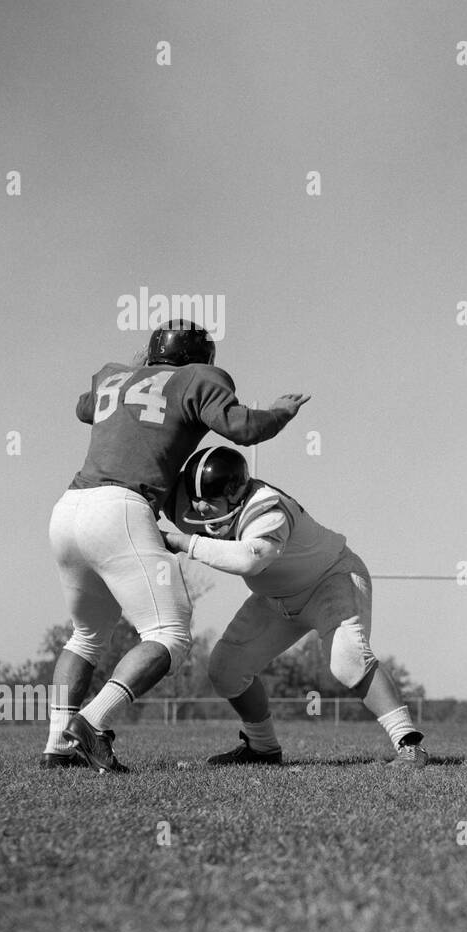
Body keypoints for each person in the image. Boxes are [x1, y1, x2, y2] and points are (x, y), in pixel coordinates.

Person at [47, 320, 308, 772]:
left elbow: (84, 408)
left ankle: (57, 745)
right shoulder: (199, 379)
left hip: (68, 509)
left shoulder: (112, 375)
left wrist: (135, 376)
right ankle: (91, 722)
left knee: (86, 636)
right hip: (120, 507)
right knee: (169, 634)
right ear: (202, 359)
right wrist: (282, 411)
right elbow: (242, 427)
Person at [160, 446, 426, 766]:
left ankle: (409, 745)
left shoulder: (267, 508)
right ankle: (262, 748)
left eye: (211, 501)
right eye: (195, 499)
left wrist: (179, 541)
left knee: (348, 660)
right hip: (277, 599)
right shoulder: (184, 501)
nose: (201, 510)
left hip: (330, 580)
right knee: (226, 670)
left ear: (236, 494)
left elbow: (250, 559)